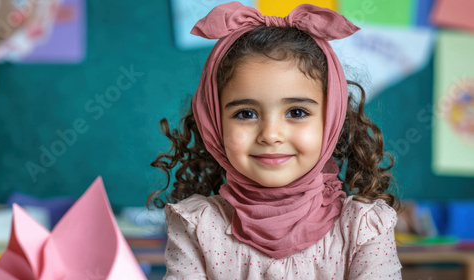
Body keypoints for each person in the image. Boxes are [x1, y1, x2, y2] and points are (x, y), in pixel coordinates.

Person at [147, 2, 402, 279]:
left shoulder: (363, 228)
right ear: (214, 124)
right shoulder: (196, 227)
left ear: (330, 121)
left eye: (296, 112)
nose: (270, 135)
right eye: (245, 114)